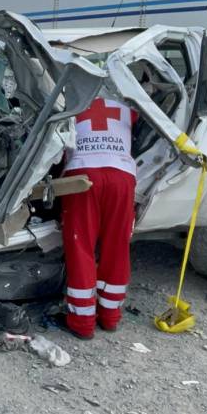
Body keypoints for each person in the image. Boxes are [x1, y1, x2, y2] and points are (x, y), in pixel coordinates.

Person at [61, 94, 138, 339]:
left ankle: (82, 323)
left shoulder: (70, 102)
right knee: (117, 247)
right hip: (122, 177)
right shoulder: (127, 105)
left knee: (80, 247)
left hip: (82, 177)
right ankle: (110, 317)